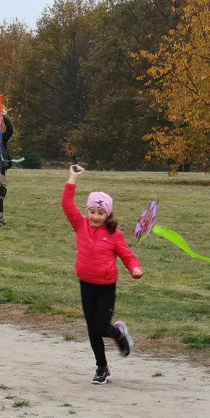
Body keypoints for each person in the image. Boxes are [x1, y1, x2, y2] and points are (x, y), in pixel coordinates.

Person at [62, 164, 143, 384]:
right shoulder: (80, 225)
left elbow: (127, 256)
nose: (95, 216)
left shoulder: (114, 234)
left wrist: (135, 269)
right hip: (86, 284)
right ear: (87, 211)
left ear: (108, 214)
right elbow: (67, 205)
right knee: (92, 329)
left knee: (100, 326)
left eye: (101, 213)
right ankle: (102, 368)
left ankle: (118, 333)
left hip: (106, 287)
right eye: (92, 212)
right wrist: (73, 178)